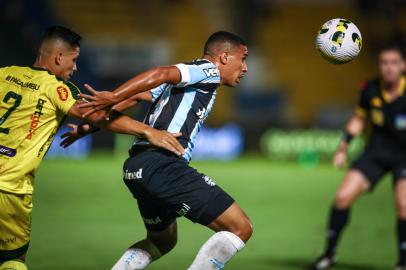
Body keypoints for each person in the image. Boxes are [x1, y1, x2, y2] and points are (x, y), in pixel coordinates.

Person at [0, 26, 184, 270]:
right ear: (58, 58)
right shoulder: (57, 88)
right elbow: (98, 115)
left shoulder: (5, 73)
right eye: (73, 60)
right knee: (12, 260)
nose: (75, 68)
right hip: (10, 187)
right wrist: (149, 131)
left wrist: (84, 129)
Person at [71, 31, 253, 270]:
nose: (246, 67)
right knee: (240, 227)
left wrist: (90, 125)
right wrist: (113, 95)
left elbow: (138, 95)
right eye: (243, 58)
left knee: (162, 241)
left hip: (137, 168)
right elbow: (160, 72)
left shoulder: (185, 85)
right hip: (162, 165)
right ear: (224, 57)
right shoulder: (207, 70)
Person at [310, 44, 406, 270]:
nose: (389, 68)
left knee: (403, 205)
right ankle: (329, 254)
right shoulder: (370, 89)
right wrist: (343, 148)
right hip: (376, 153)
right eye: (384, 63)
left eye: (394, 63)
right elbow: (359, 120)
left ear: (403, 65)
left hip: (404, 156)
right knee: (342, 198)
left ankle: (403, 263)